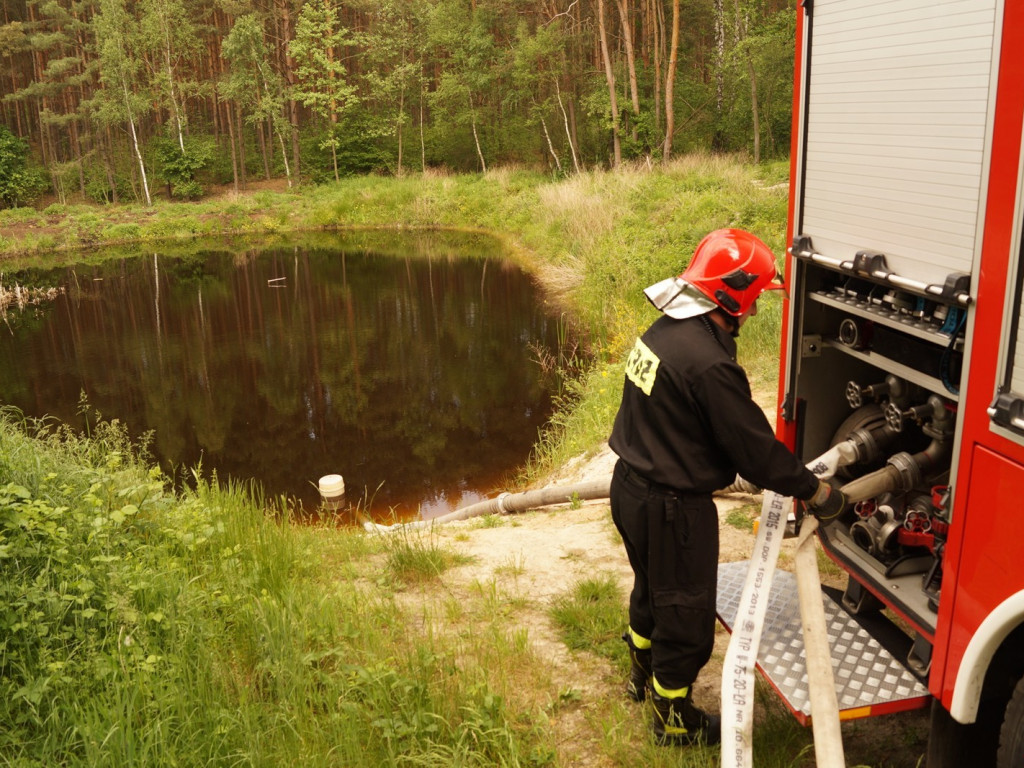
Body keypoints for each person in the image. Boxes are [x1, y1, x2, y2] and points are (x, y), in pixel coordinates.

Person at [608, 228, 846, 746]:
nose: (758, 310)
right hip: (672, 507)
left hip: (628, 488)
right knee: (686, 611)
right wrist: (816, 491)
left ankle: (640, 676)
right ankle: (673, 718)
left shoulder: (663, 331)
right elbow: (756, 450)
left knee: (651, 588)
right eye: (756, 297)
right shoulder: (711, 364)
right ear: (731, 294)